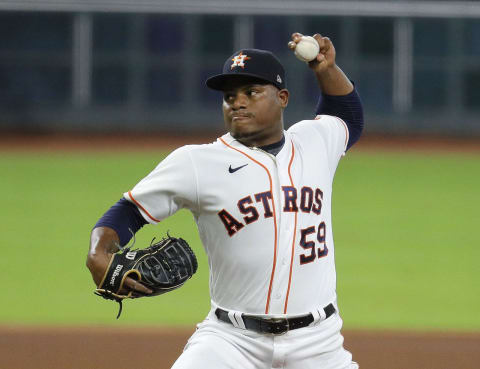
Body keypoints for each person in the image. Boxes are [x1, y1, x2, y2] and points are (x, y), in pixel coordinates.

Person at [87, 32, 364, 369]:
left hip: (318, 342)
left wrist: (325, 68)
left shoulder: (315, 141)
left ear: (283, 98)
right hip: (232, 341)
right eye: (230, 96)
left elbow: (347, 114)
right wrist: (98, 252)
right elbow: (128, 211)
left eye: (252, 92)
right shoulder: (197, 162)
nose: (238, 102)